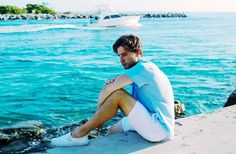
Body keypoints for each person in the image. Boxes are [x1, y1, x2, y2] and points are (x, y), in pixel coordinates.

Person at [51, 34, 175, 146]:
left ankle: (78, 135)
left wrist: (98, 116)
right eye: (119, 55)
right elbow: (112, 86)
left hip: (159, 129)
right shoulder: (144, 67)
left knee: (118, 94)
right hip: (151, 117)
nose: (121, 59)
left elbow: (107, 90)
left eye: (125, 54)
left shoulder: (144, 68)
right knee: (112, 130)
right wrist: (115, 84)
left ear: (137, 52)